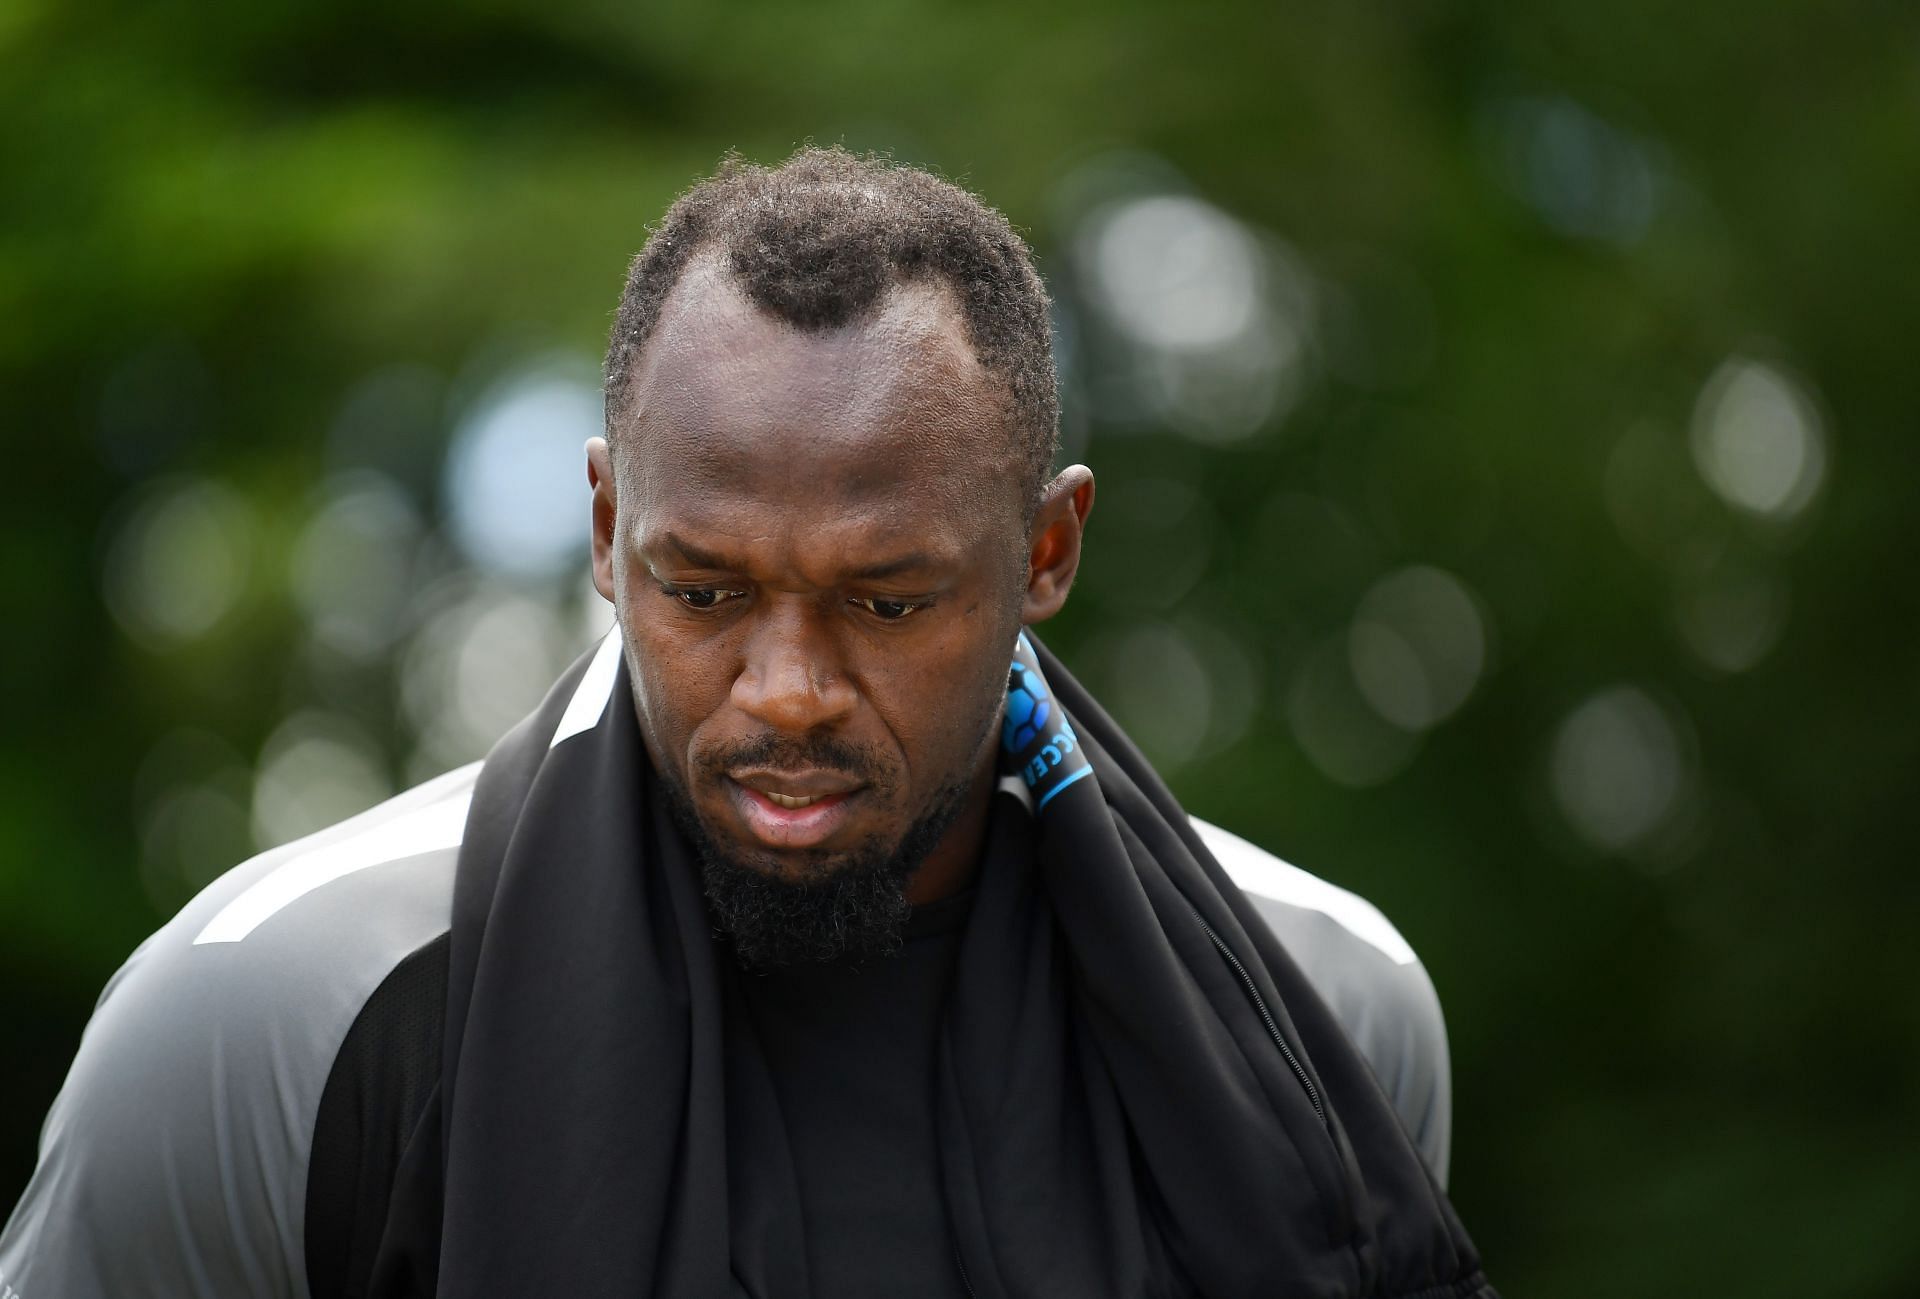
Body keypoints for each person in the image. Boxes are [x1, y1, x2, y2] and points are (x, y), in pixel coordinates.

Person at [0, 149, 1495, 1298]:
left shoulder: (1321, 1016)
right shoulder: (273, 1025)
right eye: (704, 592)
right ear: (605, 528)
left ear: (1047, 555)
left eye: (889, 602)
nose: (786, 689)